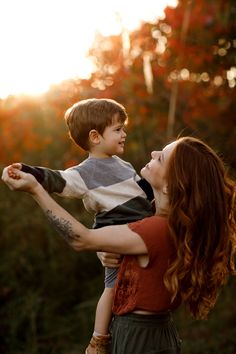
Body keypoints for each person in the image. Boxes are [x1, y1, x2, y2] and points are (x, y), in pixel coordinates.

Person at [2, 136, 236, 354]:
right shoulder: (165, 220)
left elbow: (81, 239)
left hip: (140, 336)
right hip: (153, 331)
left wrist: (36, 190)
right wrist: (104, 252)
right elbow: (118, 246)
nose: (153, 153)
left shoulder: (156, 229)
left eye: (161, 158)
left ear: (169, 186)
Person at [10, 98, 153, 354]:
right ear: (96, 136)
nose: (124, 134)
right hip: (113, 236)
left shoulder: (125, 165)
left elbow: (145, 191)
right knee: (112, 287)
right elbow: (57, 179)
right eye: (118, 129)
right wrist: (29, 171)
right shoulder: (84, 173)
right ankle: (99, 339)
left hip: (140, 234)